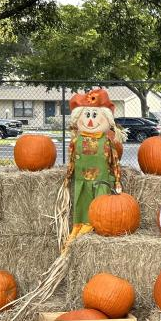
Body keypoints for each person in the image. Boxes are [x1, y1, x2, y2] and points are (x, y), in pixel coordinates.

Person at [66, 88, 122, 239]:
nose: (90, 121)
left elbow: (114, 162)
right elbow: (71, 161)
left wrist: (117, 180)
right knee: (82, 206)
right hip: (81, 182)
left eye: (95, 116)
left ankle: (98, 227)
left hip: (101, 182)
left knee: (102, 209)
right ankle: (82, 226)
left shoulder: (106, 142)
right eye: (87, 115)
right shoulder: (76, 141)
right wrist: (67, 178)